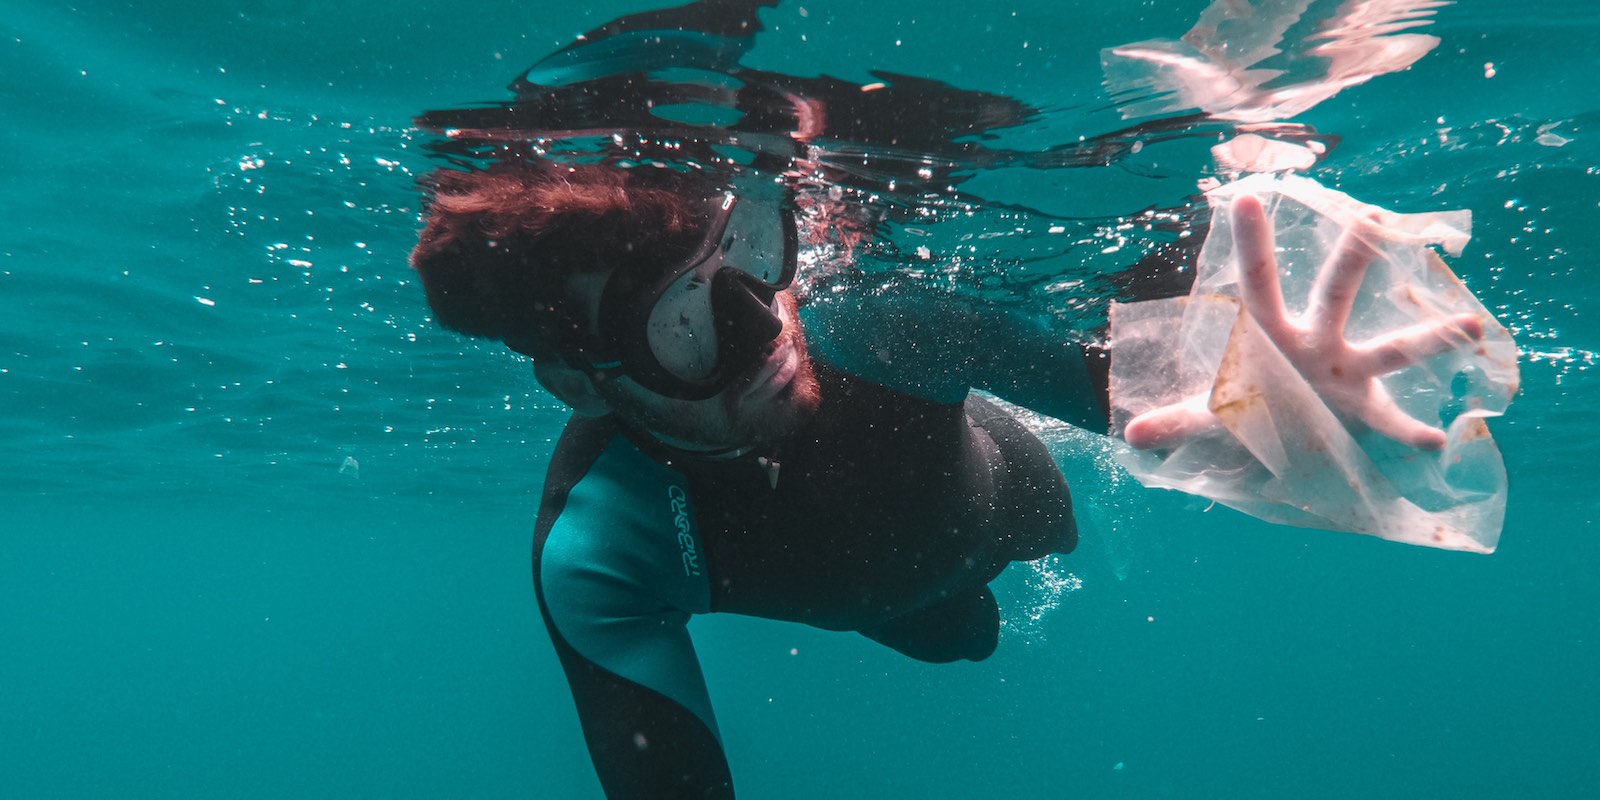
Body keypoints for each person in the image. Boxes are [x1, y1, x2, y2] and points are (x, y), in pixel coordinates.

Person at [407, 153, 1479, 797]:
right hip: (898, 589)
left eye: (753, 257)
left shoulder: (883, 328)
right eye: (685, 323)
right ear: (578, 383)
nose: (767, 321)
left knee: (967, 605)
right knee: (956, 636)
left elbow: (1173, 409)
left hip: (1013, 503)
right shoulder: (598, 544)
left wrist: (1306, 419)